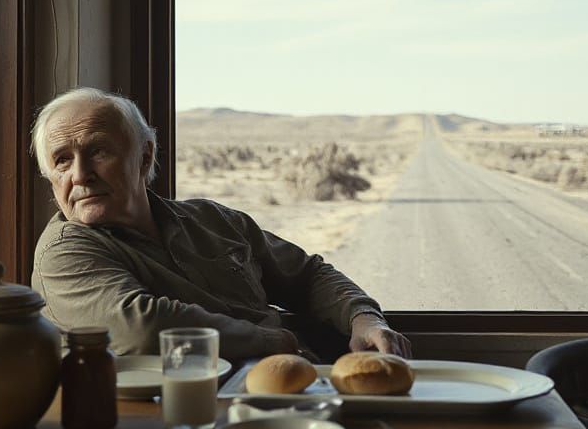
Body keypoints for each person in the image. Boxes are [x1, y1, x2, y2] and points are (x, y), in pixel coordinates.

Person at [30, 87, 412, 362]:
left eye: (98, 151)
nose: (80, 175)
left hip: (295, 390)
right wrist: (273, 342)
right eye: (62, 160)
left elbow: (308, 274)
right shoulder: (64, 252)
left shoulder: (215, 221)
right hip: (183, 414)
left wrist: (364, 318)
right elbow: (140, 329)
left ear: (144, 158)